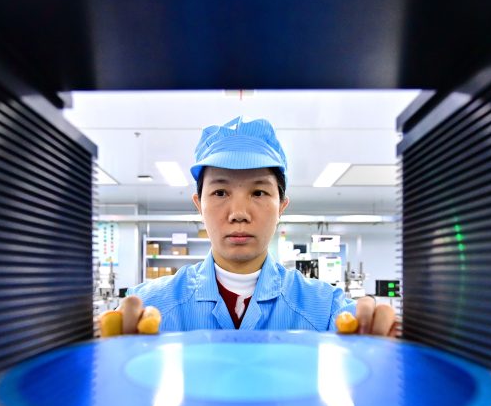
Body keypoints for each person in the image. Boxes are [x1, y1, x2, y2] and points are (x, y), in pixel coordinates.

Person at [111, 116, 398, 336]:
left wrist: (378, 339)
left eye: (259, 193)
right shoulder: (150, 308)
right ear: (199, 205)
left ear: (281, 207)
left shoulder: (327, 311)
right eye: (220, 193)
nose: (238, 214)